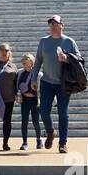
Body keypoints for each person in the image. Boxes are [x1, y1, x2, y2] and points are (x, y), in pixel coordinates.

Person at [35, 14, 79, 153]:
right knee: (43, 111)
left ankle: (63, 143)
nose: (53, 26)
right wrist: (32, 78)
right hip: (47, 82)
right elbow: (37, 62)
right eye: (51, 24)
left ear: (62, 25)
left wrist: (66, 58)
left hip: (63, 84)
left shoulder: (69, 41)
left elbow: (79, 59)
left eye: (56, 23)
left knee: (63, 113)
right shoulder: (43, 41)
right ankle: (50, 131)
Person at [16, 52, 42, 150]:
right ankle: (24, 142)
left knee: (36, 122)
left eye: (27, 62)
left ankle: (39, 140)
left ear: (32, 62)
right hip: (25, 100)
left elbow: (42, 89)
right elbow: (16, 85)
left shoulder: (38, 74)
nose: (25, 64)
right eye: (24, 62)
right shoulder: (20, 73)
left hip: (35, 100)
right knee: (24, 122)